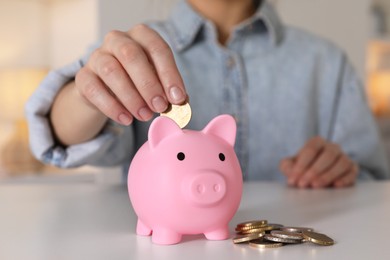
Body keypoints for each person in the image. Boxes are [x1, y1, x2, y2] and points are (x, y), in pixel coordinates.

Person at [26, 0, 389, 188]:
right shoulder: (132, 51)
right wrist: (88, 97)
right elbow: (61, 138)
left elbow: (372, 178)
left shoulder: (326, 61)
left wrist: (342, 170)